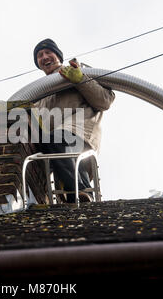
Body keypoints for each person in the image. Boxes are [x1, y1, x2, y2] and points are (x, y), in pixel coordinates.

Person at [32, 38, 115, 203]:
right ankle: (77, 194)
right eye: (40, 55)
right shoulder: (38, 92)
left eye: (49, 52)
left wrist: (80, 79)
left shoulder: (80, 70)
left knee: (57, 139)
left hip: (80, 130)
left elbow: (104, 100)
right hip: (56, 146)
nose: (44, 57)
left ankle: (78, 191)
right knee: (54, 142)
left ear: (58, 56)